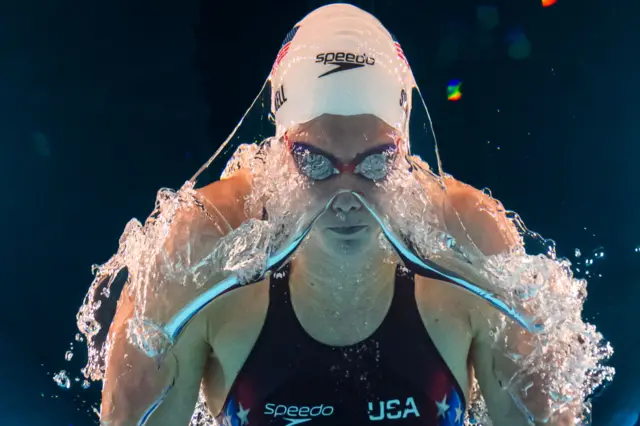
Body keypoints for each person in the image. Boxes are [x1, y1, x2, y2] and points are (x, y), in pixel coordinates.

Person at [100, 4, 573, 426]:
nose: (347, 194)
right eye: (315, 162)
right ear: (283, 151)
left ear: (403, 150)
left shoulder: (472, 240)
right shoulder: (200, 247)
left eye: (375, 163)